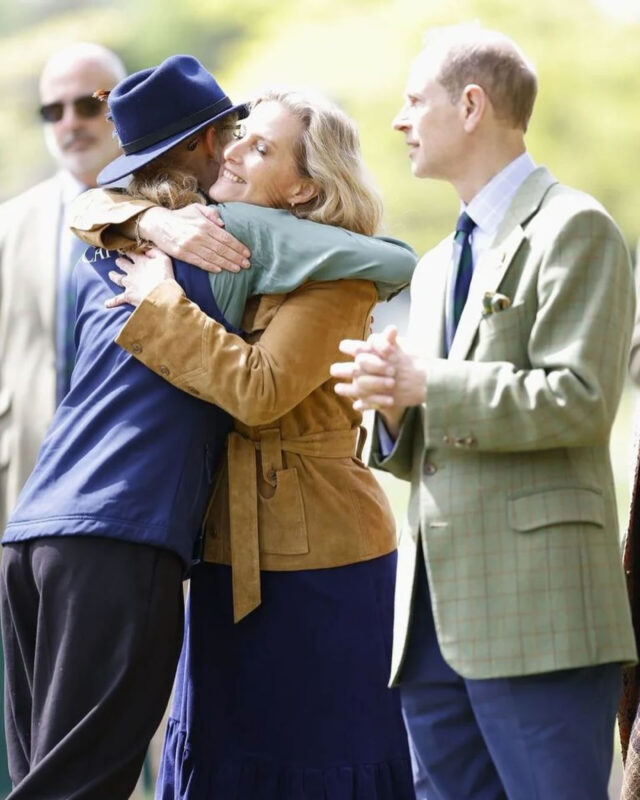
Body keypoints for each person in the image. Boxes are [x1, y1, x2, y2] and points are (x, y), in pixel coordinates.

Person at [2, 56, 415, 800]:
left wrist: (158, 284)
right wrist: (151, 219)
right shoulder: (193, 240)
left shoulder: (313, 268)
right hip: (198, 547)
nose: (233, 152)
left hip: (314, 556)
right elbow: (90, 202)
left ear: (305, 186)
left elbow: (259, 390)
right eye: (234, 137)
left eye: (258, 146)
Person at [330, 23, 636, 800]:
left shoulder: (577, 228)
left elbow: (579, 401)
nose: (398, 120)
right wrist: (388, 406)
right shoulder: (435, 265)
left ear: (470, 106)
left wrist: (424, 382)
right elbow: (423, 437)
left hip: (540, 620)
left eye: (415, 101)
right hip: (429, 628)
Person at [0, 42, 127, 533]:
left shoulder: (177, 210)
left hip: (138, 481)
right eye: (53, 111)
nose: (70, 123)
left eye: (88, 105)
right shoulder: (10, 224)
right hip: (30, 477)